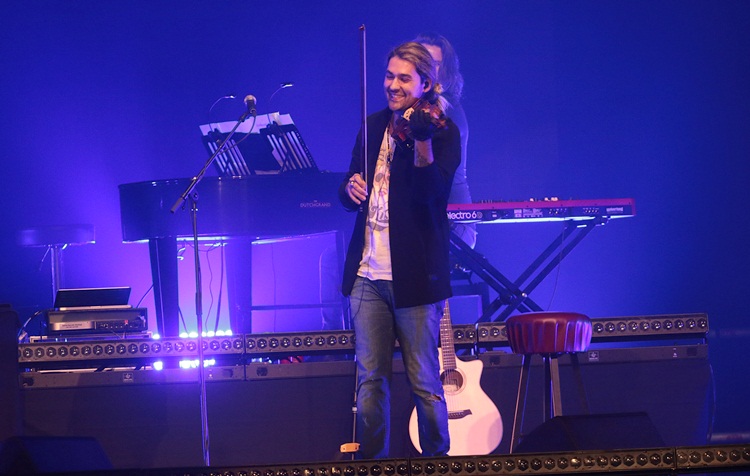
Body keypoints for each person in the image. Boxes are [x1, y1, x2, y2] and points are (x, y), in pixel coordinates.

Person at [339, 41, 461, 459]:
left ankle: (436, 463)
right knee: (370, 381)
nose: (392, 85)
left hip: (415, 276)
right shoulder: (373, 125)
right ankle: (371, 464)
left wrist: (422, 141)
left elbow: (432, 196)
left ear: (426, 83)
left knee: (424, 382)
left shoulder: (442, 131)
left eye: (403, 78)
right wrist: (349, 188)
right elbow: (350, 183)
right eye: (389, 75)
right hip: (366, 275)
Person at [415, 32, 476, 249]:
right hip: (427, 215)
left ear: (445, 70)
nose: (427, 68)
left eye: (435, 64)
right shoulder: (412, 107)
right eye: (421, 60)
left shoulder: (446, 109)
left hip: (450, 220)